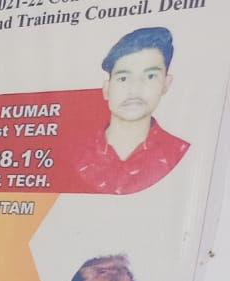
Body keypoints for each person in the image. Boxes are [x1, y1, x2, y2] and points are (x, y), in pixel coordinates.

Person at [74, 27, 189, 195]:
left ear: (166, 84)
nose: (134, 89)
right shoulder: (76, 155)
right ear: (106, 89)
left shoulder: (180, 153)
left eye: (150, 76)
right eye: (123, 78)